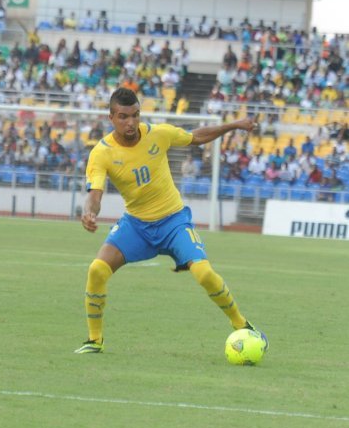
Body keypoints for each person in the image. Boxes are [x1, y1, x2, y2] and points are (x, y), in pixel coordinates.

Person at [75, 88, 266, 354]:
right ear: (111, 118)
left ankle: (242, 324)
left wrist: (234, 125)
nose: (131, 122)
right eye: (123, 117)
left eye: (135, 115)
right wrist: (89, 212)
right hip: (136, 226)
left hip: (174, 222)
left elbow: (197, 137)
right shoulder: (101, 153)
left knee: (204, 273)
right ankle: (94, 340)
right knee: (97, 269)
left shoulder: (159, 134)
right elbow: (95, 195)